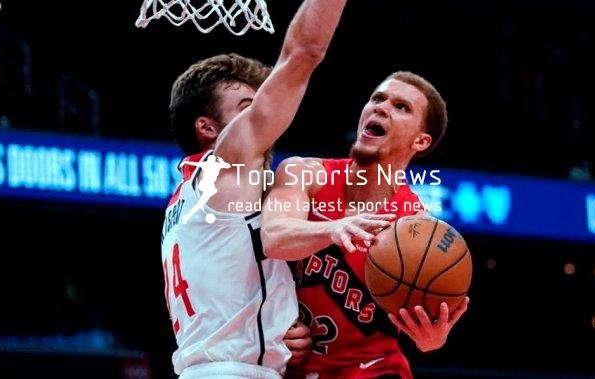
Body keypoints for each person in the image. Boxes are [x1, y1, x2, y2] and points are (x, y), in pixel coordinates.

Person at [159, 0, 348, 377]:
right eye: (247, 105)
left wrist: (280, 330)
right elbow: (303, 52)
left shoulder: (185, 200)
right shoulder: (226, 164)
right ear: (209, 128)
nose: (263, 112)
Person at [261, 71, 470, 378]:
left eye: (401, 107)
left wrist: (431, 338)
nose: (381, 107)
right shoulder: (304, 173)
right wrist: (334, 228)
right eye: (377, 98)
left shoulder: (415, 230)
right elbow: (273, 237)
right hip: (289, 367)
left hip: (372, 369)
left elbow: (425, 334)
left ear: (421, 141)